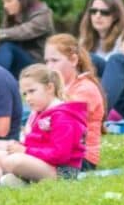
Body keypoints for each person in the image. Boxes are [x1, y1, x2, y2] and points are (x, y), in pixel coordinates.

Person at [0, 65, 88, 183]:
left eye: (31, 91)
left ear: (49, 88)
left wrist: (26, 151)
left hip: (63, 172)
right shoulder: (41, 113)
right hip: (43, 163)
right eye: (24, 94)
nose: (28, 98)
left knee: (14, 161)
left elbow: (60, 155)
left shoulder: (64, 116)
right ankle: (14, 179)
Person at [43, 34, 106, 168]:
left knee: (16, 159)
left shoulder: (85, 89)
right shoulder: (60, 88)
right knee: (1, 149)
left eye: (54, 60)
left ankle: (24, 174)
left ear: (73, 60)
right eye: (46, 61)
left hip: (80, 159)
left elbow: (62, 126)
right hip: (58, 152)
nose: (49, 67)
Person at [0, 0, 56, 75]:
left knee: (7, 46)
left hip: (38, 65)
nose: (5, 5)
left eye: (9, 1)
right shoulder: (12, 14)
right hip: (18, 63)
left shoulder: (42, 14)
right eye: (4, 1)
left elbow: (24, 31)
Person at [75, 0, 124, 82]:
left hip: (118, 88)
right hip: (92, 88)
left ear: (116, 16)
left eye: (104, 12)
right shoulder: (84, 40)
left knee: (92, 59)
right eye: (93, 11)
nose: (98, 15)